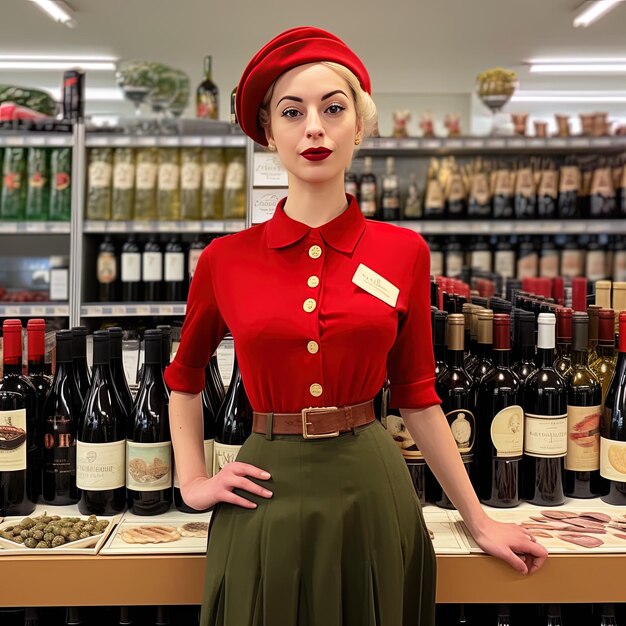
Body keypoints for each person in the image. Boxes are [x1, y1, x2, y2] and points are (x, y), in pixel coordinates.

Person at [165, 26, 548, 626]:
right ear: (269, 132)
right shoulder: (224, 259)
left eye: (333, 108)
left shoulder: (403, 252)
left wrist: (478, 518)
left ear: (360, 127)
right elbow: (184, 379)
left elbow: (418, 398)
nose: (313, 127)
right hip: (265, 492)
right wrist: (190, 482)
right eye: (292, 112)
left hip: (373, 492)